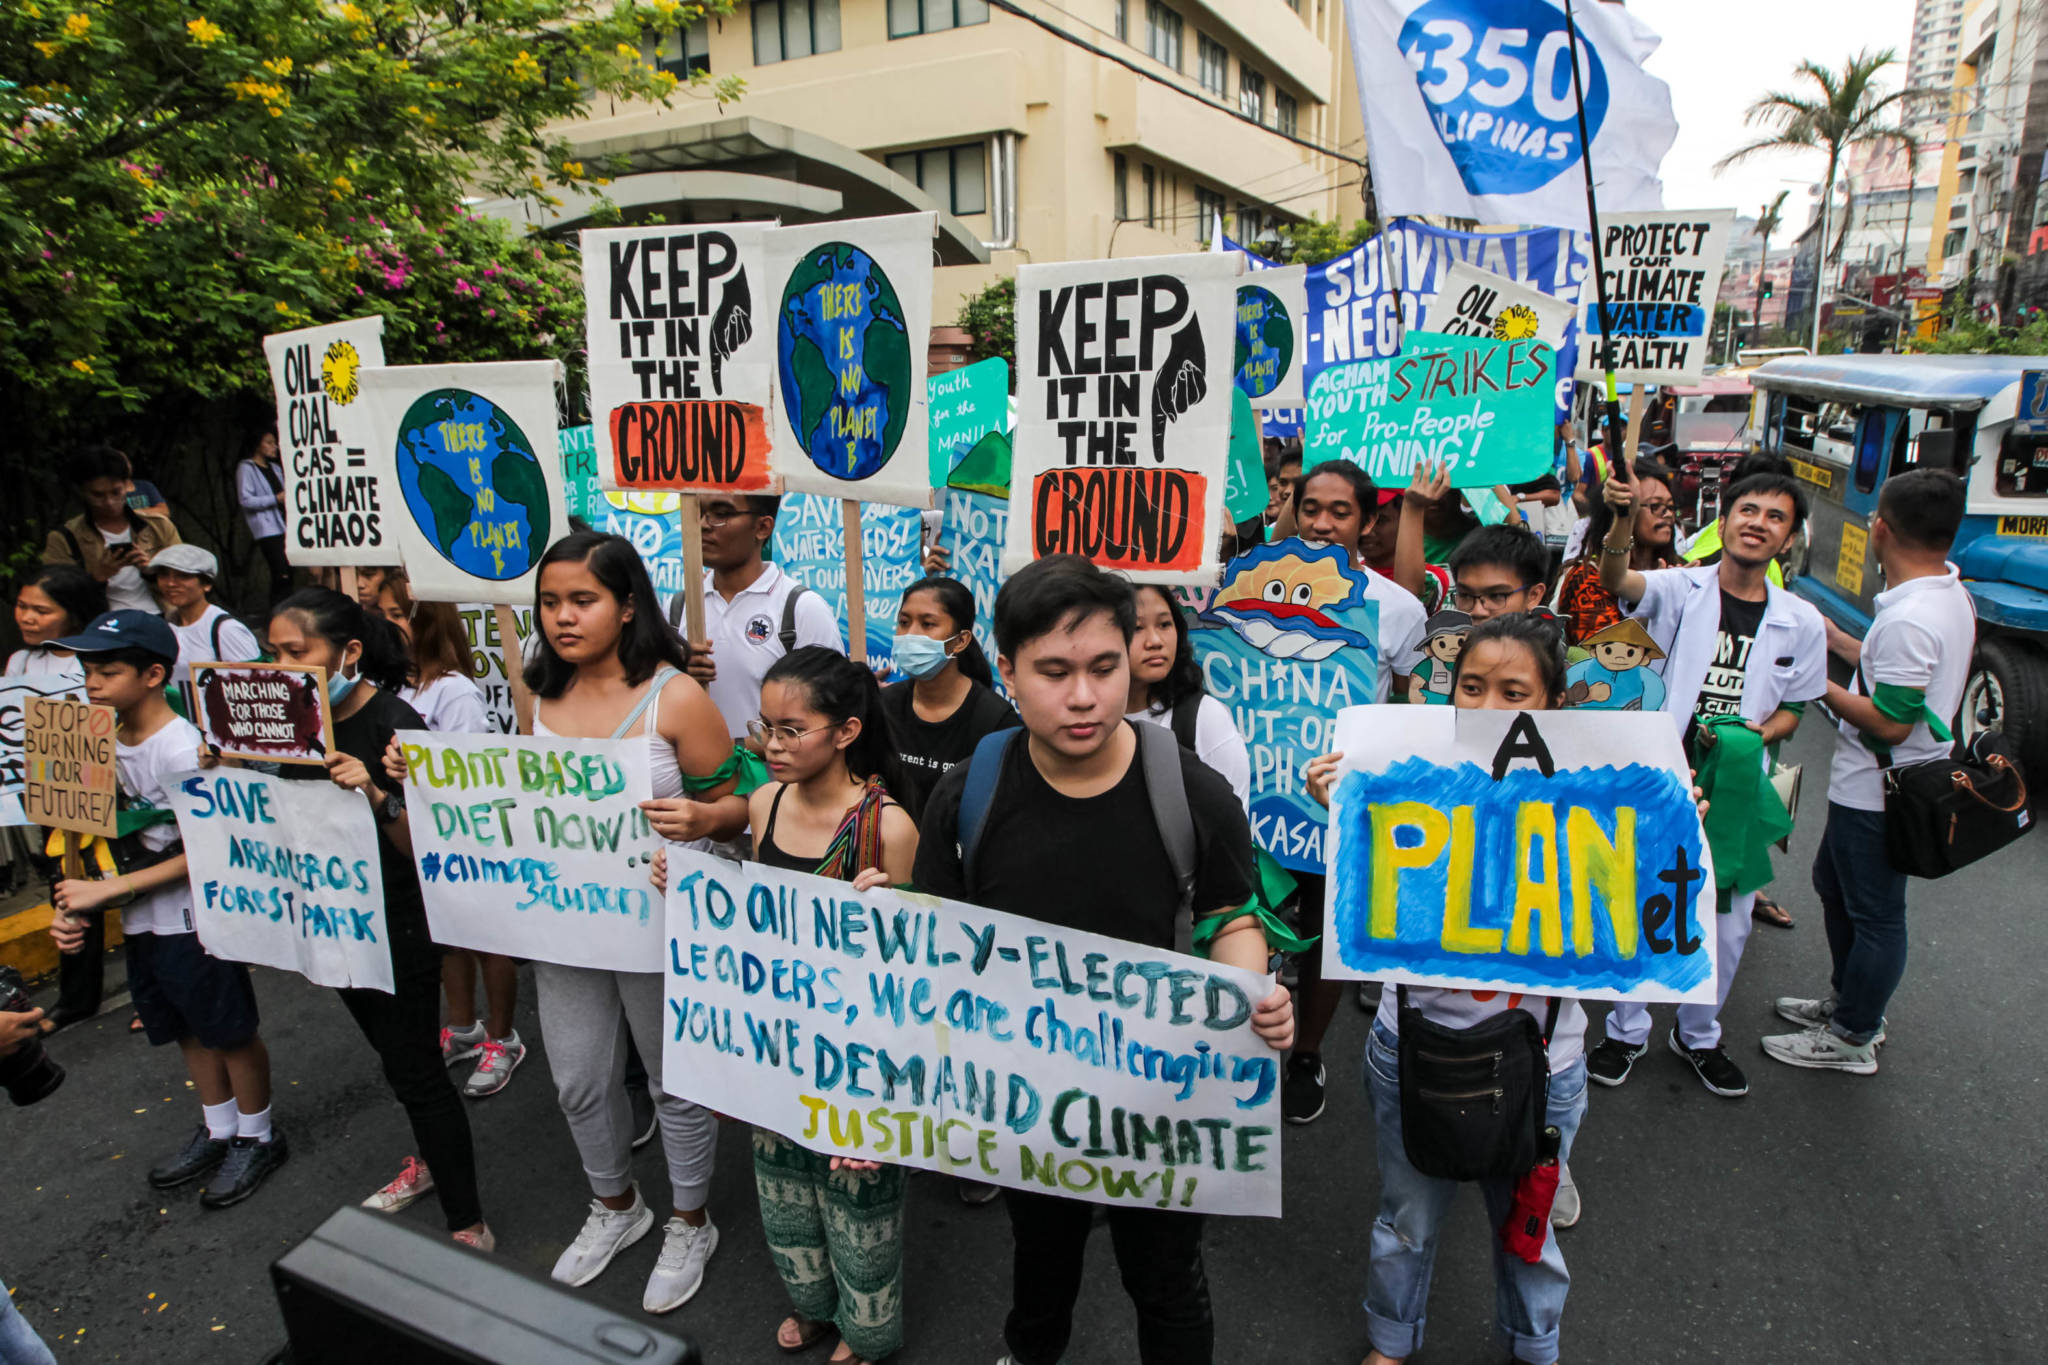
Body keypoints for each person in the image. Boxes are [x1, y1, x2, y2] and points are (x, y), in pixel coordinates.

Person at [911, 556, 1294, 1365]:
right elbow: (936, 934)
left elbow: (1231, 915)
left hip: (1162, 1104)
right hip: (1027, 1097)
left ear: (1133, 656)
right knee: (1041, 1257)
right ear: (1006, 669)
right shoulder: (967, 794)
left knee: (1165, 1275)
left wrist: (1254, 986)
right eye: (1053, 672)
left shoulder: (1192, 792)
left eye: (1102, 667)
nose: (1082, 696)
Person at [391, 531, 743, 1310]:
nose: (561, 617)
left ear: (627, 605)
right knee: (579, 1080)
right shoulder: (538, 695)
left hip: (660, 923)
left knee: (674, 1080)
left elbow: (741, 805)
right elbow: (523, 802)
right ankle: (616, 1205)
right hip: (567, 929)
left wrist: (698, 821)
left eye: (582, 600)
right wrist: (421, 779)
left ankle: (691, 1218)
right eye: (549, 602)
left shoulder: (676, 695)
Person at [1305, 612, 1596, 1365]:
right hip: (1414, 1051)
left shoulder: (1596, 797)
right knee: (1406, 1219)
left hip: (1544, 1067)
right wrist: (1342, 800)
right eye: (1472, 686)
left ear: (1556, 704)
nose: (1490, 706)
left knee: (1528, 1225)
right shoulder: (1409, 779)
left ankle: (1534, 1346)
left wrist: (1672, 821)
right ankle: (1391, 1339)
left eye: (1514, 690)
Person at [256, 589, 494, 1248]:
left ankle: (466, 1221)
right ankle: (433, 1162)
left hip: (401, 930)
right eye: (273, 652)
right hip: (335, 927)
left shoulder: (397, 722)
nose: (282, 666)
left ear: (348, 652)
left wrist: (373, 789)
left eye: (296, 652)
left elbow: (429, 846)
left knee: (418, 1070)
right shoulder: (289, 725)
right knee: (398, 1063)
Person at [1586, 470, 1826, 1099]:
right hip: (1662, 773)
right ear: (1723, 522)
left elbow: (1796, 708)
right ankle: (1626, 1030)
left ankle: (1698, 1034)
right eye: (1748, 510)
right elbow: (1617, 580)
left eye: (1775, 517)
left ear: (1789, 538)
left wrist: (1755, 735)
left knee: (1728, 919)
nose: (1758, 523)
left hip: (1738, 785)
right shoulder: (1677, 589)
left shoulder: (1802, 622)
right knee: (1640, 901)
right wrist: (1620, 517)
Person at [46, 611, 283, 1209]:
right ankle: (220, 1125)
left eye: (107, 671)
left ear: (154, 674)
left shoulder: (182, 749)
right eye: (87, 671)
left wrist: (106, 893)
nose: (91, 683)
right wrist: (72, 907)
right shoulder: (90, 738)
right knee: (181, 1024)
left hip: (193, 915)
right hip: (140, 917)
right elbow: (76, 835)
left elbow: (212, 847)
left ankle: (258, 1134)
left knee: (227, 1028)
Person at [1762, 469, 1974, 1075]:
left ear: (1880, 528)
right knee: (1835, 887)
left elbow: (1890, 722)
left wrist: (1814, 682)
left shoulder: (1912, 618)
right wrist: (1835, 638)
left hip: (1880, 793)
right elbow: (1897, 674)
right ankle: (1848, 1002)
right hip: (1883, 786)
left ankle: (1854, 1034)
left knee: (1876, 915)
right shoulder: (1944, 593)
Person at [742, 647, 920, 1365]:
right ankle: (814, 1304)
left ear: (846, 732)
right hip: (781, 1041)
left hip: (859, 1054)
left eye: (792, 730)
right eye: (765, 729)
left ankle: (866, 1328)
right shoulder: (763, 803)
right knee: (785, 1188)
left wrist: (888, 916)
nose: (773, 746)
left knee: (856, 1197)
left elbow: (910, 973)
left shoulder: (889, 828)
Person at [1283, 460, 1427, 1124]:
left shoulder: (1397, 609)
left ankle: (1306, 1051)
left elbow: (1411, 702)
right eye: (1310, 506)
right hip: (1260, 789)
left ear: (1368, 524)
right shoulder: (1258, 585)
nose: (1320, 522)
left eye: (1339, 511)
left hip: (1339, 798)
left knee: (1327, 927)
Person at [374, 571, 523, 1099]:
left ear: (426, 622)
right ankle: (464, 1027)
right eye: (384, 614)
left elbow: (469, 770)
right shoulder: (397, 685)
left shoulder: (454, 690)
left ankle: (503, 1038)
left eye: (397, 616)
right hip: (423, 835)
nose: (386, 625)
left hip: (468, 834)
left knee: (487, 940)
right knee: (447, 938)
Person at [6, 566, 109, 1030]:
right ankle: (76, 998)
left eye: (41, 610)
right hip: (54, 793)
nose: (26, 617)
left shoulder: (95, 660)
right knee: (67, 890)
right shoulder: (19, 664)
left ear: (75, 615)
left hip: (105, 792)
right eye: (23, 606)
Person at [672, 494, 844, 738]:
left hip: (773, 776)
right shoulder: (678, 608)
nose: (703, 524)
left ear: (763, 527)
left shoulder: (801, 609)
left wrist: (732, 752)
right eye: (698, 512)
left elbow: (830, 714)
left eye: (721, 514)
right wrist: (674, 675)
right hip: (692, 776)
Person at [877, 576, 1016, 811]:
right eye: (903, 622)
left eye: (928, 624)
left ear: (961, 641)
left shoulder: (995, 722)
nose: (911, 634)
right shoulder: (885, 705)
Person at [1127, 583, 1251, 805]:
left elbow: (1232, 828)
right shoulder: (1088, 722)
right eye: (1136, 628)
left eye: (1165, 624)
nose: (1155, 641)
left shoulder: (1205, 718)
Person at [1553, 458, 1680, 649]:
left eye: (1670, 507)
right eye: (1655, 506)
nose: (1668, 514)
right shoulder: (1585, 578)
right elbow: (1604, 658)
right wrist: (1654, 607)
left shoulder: (1679, 570)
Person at [42, 445, 182, 615]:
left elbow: (187, 581)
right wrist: (98, 577)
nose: (109, 502)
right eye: (97, 495)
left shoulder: (158, 526)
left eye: (116, 492)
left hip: (160, 618)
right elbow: (56, 596)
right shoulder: (64, 538)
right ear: (82, 492)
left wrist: (150, 571)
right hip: (100, 627)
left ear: (127, 485)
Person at [146, 546, 263, 668]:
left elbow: (251, 681)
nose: (171, 583)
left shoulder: (226, 630)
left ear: (207, 584)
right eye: (163, 575)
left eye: (183, 576)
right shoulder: (164, 626)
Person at [1446, 523, 1552, 624]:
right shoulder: (1442, 641)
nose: (1477, 611)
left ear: (1533, 595)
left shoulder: (1548, 642)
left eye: (1496, 596)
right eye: (1465, 595)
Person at [236, 428, 292, 607]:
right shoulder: (246, 468)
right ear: (257, 444)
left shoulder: (275, 468)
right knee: (280, 571)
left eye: (274, 442)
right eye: (269, 442)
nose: (274, 446)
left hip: (285, 524)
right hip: (267, 528)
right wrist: (275, 498)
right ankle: (276, 613)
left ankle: (285, 612)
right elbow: (246, 500)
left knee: (289, 571)